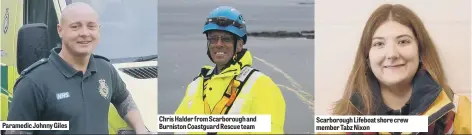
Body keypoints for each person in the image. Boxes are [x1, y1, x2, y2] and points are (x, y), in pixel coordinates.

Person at [6, 2, 149, 134]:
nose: (85, 33)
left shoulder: (106, 69)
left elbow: (124, 99)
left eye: (91, 26)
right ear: (60, 30)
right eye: (75, 26)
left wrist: (140, 128)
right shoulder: (33, 82)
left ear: (99, 30)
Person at [327, 4, 471, 134]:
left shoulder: (459, 112)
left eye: (403, 41)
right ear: (367, 57)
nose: (392, 54)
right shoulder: (341, 123)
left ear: (420, 51)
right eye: (379, 44)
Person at [174, 6, 286, 134]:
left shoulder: (262, 86)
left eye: (226, 39)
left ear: (239, 44)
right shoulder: (195, 86)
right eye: (213, 38)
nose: (218, 44)